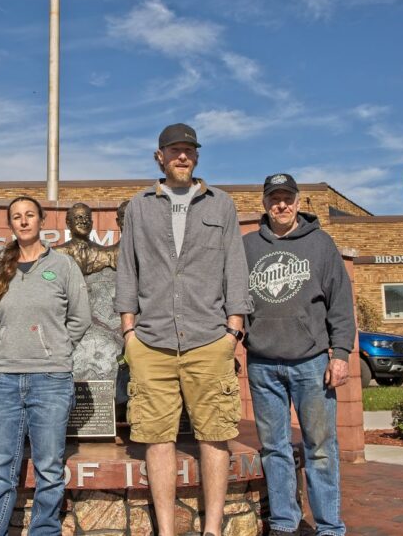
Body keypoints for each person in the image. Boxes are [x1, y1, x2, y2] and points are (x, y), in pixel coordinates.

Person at [115, 123, 252, 536]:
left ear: (196, 157)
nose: (182, 156)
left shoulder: (220, 205)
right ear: (159, 156)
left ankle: (212, 529)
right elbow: (128, 268)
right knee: (157, 439)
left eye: (189, 150)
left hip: (209, 340)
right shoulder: (139, 206)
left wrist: (233, 330)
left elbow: (235, 267)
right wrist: (128, 332)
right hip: (151, 343)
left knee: (215, 437)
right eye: (174, 150)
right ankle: (167, 530)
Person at [242, 173, 354, 536]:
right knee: (274, 448)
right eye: (274, 198)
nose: (281, 205)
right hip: (262, 364)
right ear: (264, 203)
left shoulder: (321, 245)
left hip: (312, 363)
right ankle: (284, 522)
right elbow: (234, 301)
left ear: (299, 202)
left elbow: (340, 304)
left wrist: (340, 354)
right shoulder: (247, 247)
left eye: (287, 198)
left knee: (320, 448)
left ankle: (329, 526)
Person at [0, 196, 92, 536]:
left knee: (49, 468)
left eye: (29, 215)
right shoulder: (2, 266)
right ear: (10, 224)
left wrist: (55, 347)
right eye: (16, 217)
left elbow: (80, 318)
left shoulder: (64, 265)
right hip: (5, 381)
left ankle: (44, 530)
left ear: (41, 220)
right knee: (1, 468)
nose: (23, 222)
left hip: (50, 380)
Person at [53, 201, 114, 275]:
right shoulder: (56, 253)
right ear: (68, 223)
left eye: (87, 218)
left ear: (92, 223)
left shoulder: (105, 253)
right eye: (79, 217)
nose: (84, 221)